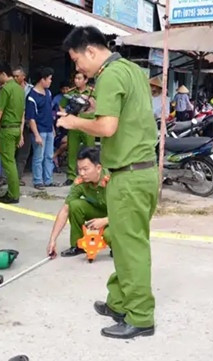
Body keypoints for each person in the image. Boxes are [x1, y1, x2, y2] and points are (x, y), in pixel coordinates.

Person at [56, 26, 159, 339]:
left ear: (90, 50)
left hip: (129, 175)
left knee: (131, 248)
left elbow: (109, 127)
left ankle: (140, 318)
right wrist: (89, 108)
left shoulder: (110, 75)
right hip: (137, 172)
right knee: (122, 242)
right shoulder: (133, 71)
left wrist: (73, 121)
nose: (78, 69)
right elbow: (122, 114)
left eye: (76, 61)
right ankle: (119, 302)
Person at [47, 147, 110, 257]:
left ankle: (119, 247)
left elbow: (128, 210)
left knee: (109, 235)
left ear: (98, 168)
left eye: (85, 169)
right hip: (99, 211)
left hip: (117, 215)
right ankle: (78, 245)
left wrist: (105, 220)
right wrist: (53, 239)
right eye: (79, 169)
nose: (81, 173)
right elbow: (65, 210)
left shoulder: (112, 179)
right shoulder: (80, 181)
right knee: (74, 205)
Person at [0, 63, 25, 204]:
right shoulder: (20, 89)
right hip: (16, 128)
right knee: (11, 161)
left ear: (3, 74)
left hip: (7, 129)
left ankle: (13, 194)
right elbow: (22, 113)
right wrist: (21, 132)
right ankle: (12, 192)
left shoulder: (7, 89)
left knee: (8, 163)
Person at [59, 72, 97, 186]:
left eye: (79, 78)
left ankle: (92, 175)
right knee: (72, 150)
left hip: (88, 125)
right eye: (75, 78)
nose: (76, 80)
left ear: (85, 80)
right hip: (74, 125)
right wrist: (66, 115)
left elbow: (98, 106)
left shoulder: (92, 92)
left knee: (90, 150)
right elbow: (61, 105)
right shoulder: (71, 92)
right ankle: (71, 176)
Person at [26, 66, 58, 189]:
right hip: (39, 131)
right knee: (39, 157)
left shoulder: (48, 93)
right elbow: (31, 118)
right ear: (42, 79)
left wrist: (53, 128)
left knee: (49, 156)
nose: (51, 81)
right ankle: (38, 181)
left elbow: (49, 112)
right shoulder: (32, 96)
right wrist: (36, 135)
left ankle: (48, 180)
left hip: (49, 130)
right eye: (49, 79)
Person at [13, 65, 34, 186]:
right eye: (14, 76)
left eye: (17, 76)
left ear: (23, 77)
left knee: (23, 152)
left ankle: (18, 176)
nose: (15, 78)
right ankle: (5, 177)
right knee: (10, 153)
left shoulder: (31, 90)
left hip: (26, 124)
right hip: (13, 123)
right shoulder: (9, 89)